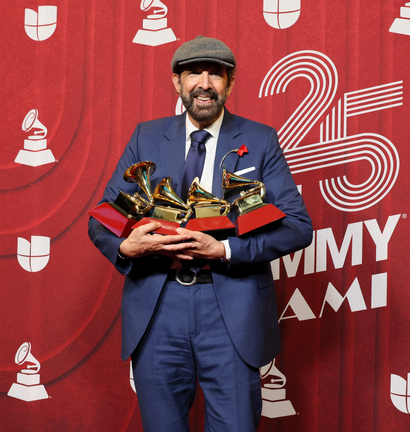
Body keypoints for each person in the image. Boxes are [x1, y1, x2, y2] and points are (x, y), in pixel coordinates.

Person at [88, 35, 313, 432]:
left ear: (230, 82)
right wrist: (125, 245)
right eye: (194, 73)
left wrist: (225, 249)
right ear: (177, 82)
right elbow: (102, 218)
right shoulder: (146, 136)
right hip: (158, 307)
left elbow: (297, 227)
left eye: (216, 74)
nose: (204, 83)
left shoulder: (260, 141)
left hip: (230, 308)